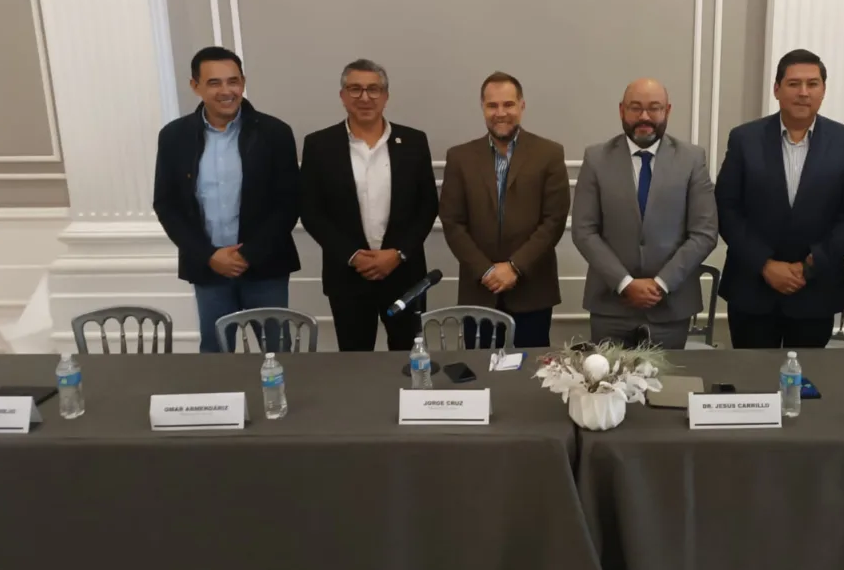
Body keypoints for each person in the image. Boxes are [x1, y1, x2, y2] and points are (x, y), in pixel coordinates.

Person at [716, 49, 844, 348]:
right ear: (777, 89)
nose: (803, 92)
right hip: (752, 289)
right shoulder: (744, 139)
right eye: (793, 83)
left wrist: (809, 265)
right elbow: (727, 208)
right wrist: (764, 264)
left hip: (816, 291)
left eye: (812, 84)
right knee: (751, 375)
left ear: (823, 90)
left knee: (808, 377)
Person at [153, 46, 300, 353]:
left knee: (278, 353)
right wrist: (209, 255)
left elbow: (289, 202)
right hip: (208, 268)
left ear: (243, 82)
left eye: (233, 81)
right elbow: (167, 205)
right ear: (195, 86)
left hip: (265, 266)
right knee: (216, 355)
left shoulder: (275, 133)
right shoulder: (174, 136)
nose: (226, 91)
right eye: (214, 83)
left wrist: (248, 254)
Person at [300, 59, 439, 351]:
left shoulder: (413, 142)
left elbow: (427, 206)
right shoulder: (319, 145)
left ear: (386, 96)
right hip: (348, 276)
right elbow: (312, 211)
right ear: (342, 95)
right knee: (355, 362)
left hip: (404, 274)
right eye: (355, 89)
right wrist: (352, 256)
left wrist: (398, 253)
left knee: (408, 359)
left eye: (373, 89)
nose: (365, 97)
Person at [572, 78, 718, 349]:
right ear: (621, 110)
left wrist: (660, 284)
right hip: (611, 305)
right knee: (606, 377)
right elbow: (584, 230)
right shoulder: (596, 158)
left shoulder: (692, 159)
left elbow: (704, 233)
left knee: (667, 377)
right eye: (635, 108)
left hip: (670, 305)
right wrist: (625, 283)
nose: (645, 117)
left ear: (667, 110)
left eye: (654, 108)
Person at [439, 72, 570, 348]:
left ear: (522, 106)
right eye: (492, 105)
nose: (500, 113)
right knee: (479, 369)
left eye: (508, 104)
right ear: (482, 108)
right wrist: (486, 271)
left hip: (532, 291)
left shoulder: (549, 153)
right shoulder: (460, 157)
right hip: (479, 291)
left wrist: (515, 267)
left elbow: (554, 221)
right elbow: (452, 222)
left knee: (530, 370)